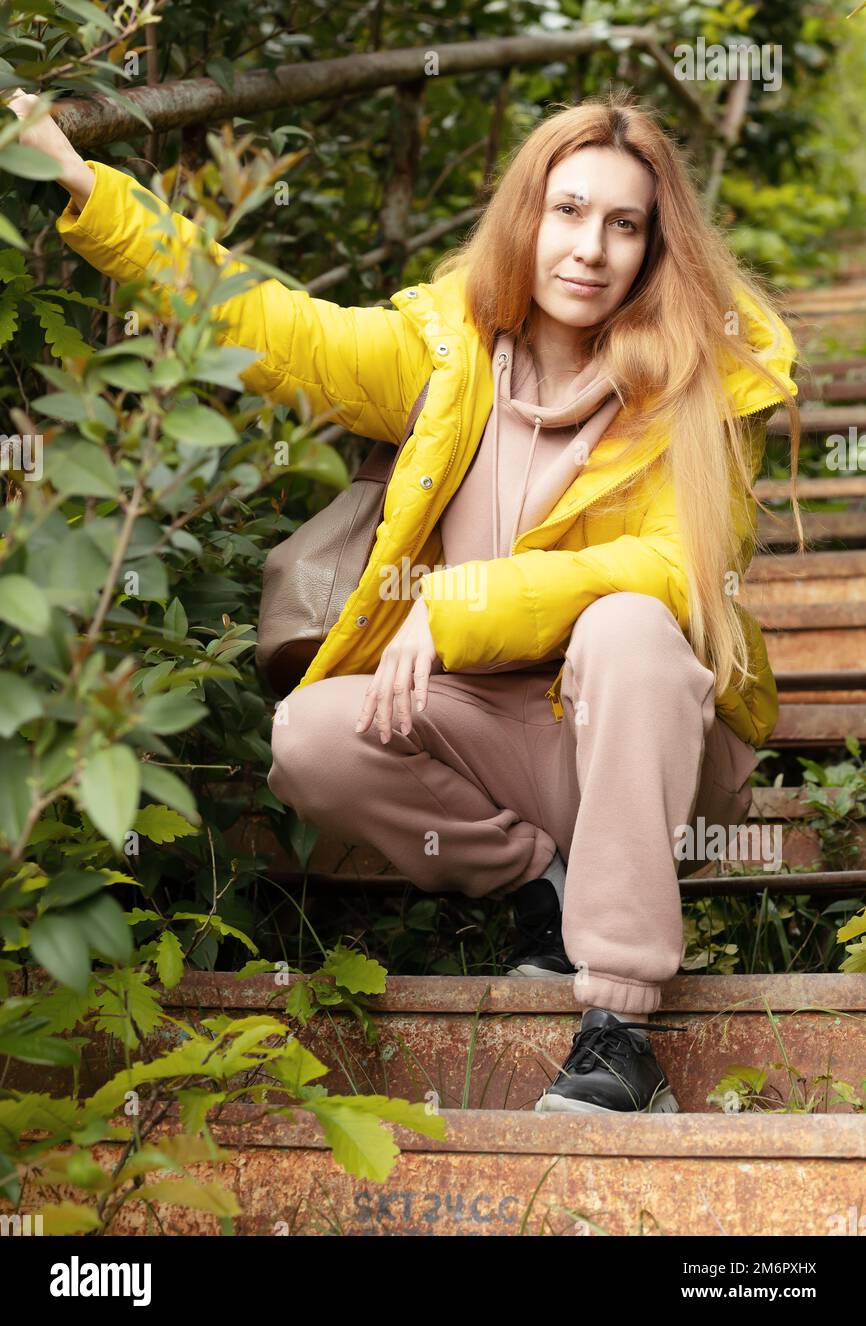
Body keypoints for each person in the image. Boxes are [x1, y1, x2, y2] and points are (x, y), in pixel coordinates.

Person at [8, 85, 800, 1114]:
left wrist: (458, 604)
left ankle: (618, 1026)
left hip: (647, 758)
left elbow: (676, 572)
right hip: (492, 742)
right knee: (310, 733)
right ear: (526, 216)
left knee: (628, 625)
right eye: (566, 211)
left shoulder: (691, 386)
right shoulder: (445, 357)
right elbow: (268, 320)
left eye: (622, 224)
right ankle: (540, 890)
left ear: (652, 248)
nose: (589, 248)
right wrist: (81, 184)